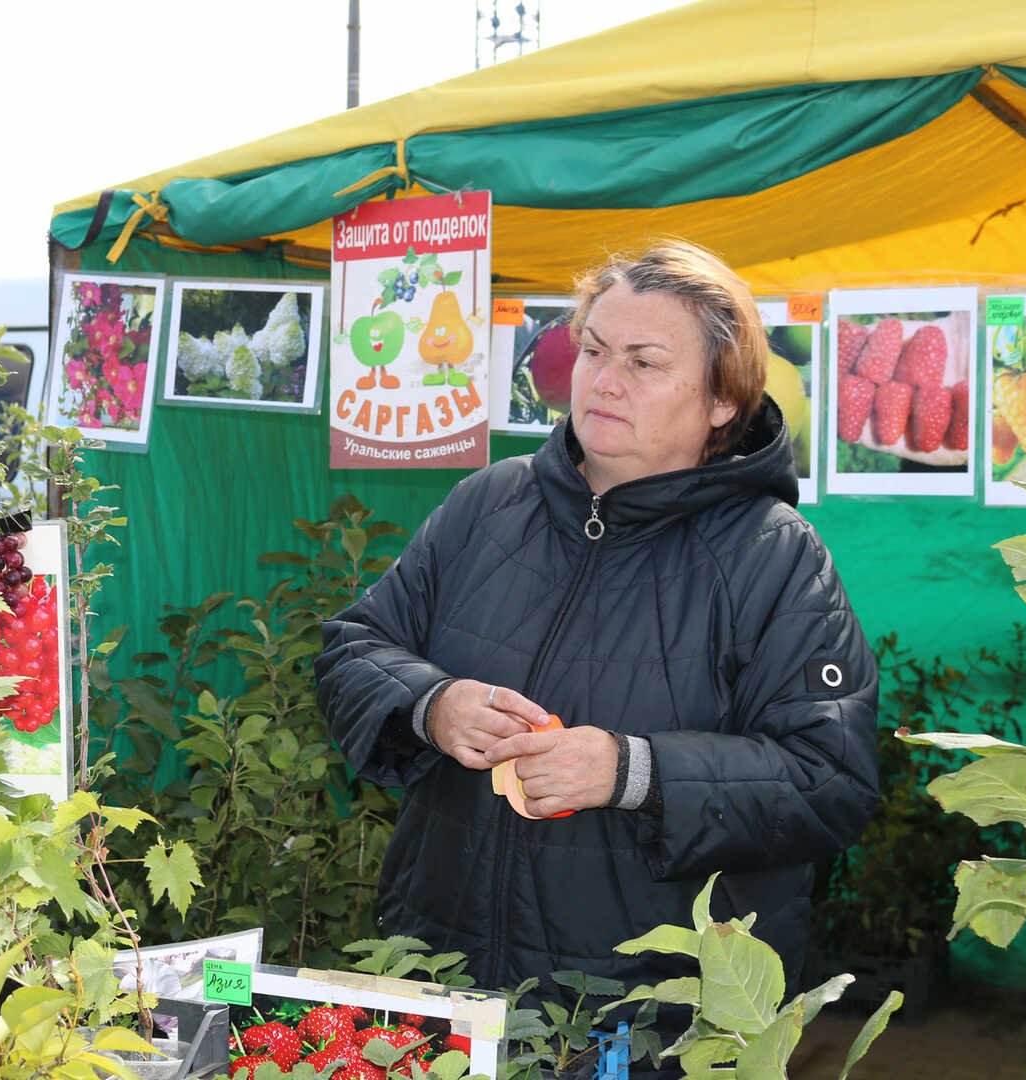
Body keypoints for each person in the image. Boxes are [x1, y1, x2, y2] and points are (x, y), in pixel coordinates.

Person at [315, 240, 879, 1071]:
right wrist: (430, 705)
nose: (604, 382)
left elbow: (830, 779)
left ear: (723, 399)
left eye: (644, 363)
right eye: (592, 351)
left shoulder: (774, 556)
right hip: (445, 977)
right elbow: (353, 645)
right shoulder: (489, 504)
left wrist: (634, 771)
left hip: (647, 1016)